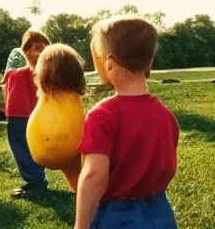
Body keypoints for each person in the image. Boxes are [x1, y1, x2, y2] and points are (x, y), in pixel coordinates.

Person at [75, 16, 179, 229]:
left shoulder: (102, 115)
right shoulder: (166, 116)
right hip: (160, 211)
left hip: (117, 217)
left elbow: (94, 176)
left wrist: (80, 226)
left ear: (110, 64)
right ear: (148, 64)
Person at [32, 43, 87, 191]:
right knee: (80, 179)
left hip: (40, 148)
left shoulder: (45, 91)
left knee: (72, 175)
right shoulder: (72, 95)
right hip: (68, 142)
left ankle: (83, 197)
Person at [3, 30, 51, 198]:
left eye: (46, 48)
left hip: (33, 117)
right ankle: (33, 179)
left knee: (33, 148)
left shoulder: (45, 74)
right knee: (20, 149)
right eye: (38, 48)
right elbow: (6, 91)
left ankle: (37, 179)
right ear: (26, 51)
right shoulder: (16, 73)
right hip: (14, 117)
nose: (41, 53)